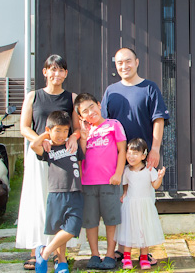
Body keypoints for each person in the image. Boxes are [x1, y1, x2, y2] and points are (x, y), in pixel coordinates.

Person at [102, 47, 169, 265]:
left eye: (128, 61)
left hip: (143, 159)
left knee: (143, 204)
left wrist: (156, 148)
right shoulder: (111, 91)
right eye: (119, 63)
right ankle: (122, 249)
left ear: (137, 62)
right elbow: (104, 124)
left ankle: (143, 250)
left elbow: (158, 119)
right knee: (122, 202)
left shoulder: (149, 88)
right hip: (117, 160)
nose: (124, 66)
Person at [17, 55, 80, 270]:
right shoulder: (33, 96)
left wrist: (73, 136)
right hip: (39, 154)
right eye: (52, 70)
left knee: (59, 203)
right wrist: (41, 139)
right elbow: (24, 127)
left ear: (66, 73)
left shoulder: (71, 98)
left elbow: (78, 127)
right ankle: (38, 249)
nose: (57, 74)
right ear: (45, 72)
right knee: (38, 201)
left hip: (62, 158)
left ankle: (58, 254)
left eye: (61, 70)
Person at [74, 92, 127, 270]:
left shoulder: (114, 125)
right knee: (91, 221)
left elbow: (122, 150)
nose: (90, 112)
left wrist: (118, 174)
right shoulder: (85, 132)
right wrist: (83, 137)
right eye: (85, 112)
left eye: (92, 107)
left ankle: (110, 254)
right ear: (81, 116)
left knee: (111, 220)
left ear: (98, 104)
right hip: (88, 183)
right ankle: (94, 254)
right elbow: (81, 156)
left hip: (110, 182)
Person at [30, 111, 84, 273]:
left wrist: (74, 136)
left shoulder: (71, 145)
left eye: (65, 131)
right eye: (57, 130)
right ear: (49, 129)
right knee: (59, 228)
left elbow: (83, 154)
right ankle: (61, 263)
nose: (61, 135)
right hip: (56, 193)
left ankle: (45, 252)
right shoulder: (48, 149)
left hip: (75, 191)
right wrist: (46, 136)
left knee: (72, 228)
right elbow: (33, 145)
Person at [115, 138, 166, 270]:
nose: (131, 156)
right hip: (130, 205)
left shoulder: (149, 170)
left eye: (135, 153)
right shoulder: (126, 170)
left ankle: (144, 257)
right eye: (129, 153)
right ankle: (127, 257)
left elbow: (154, 185)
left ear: (143, 155)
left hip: (144, 206)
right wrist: (125, 193)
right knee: (128, 230)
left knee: (144, 230)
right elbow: (125, 184)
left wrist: (159, 177)